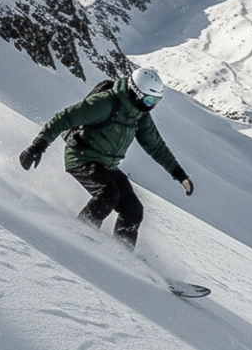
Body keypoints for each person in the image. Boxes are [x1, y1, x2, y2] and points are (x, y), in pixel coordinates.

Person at [19, 68, 193, 248]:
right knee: (108, 195)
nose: (151, 106)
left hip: (106, 164)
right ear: (135, 92)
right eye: (149, 100)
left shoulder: (139, 115)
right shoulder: (104, 103)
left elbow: (155, 146)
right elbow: (65, 118)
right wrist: (38, 145)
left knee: (133, 210)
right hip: (81, 156)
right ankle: (79, 236)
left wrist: (179, 174)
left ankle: (122, 253)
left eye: (156, 101)